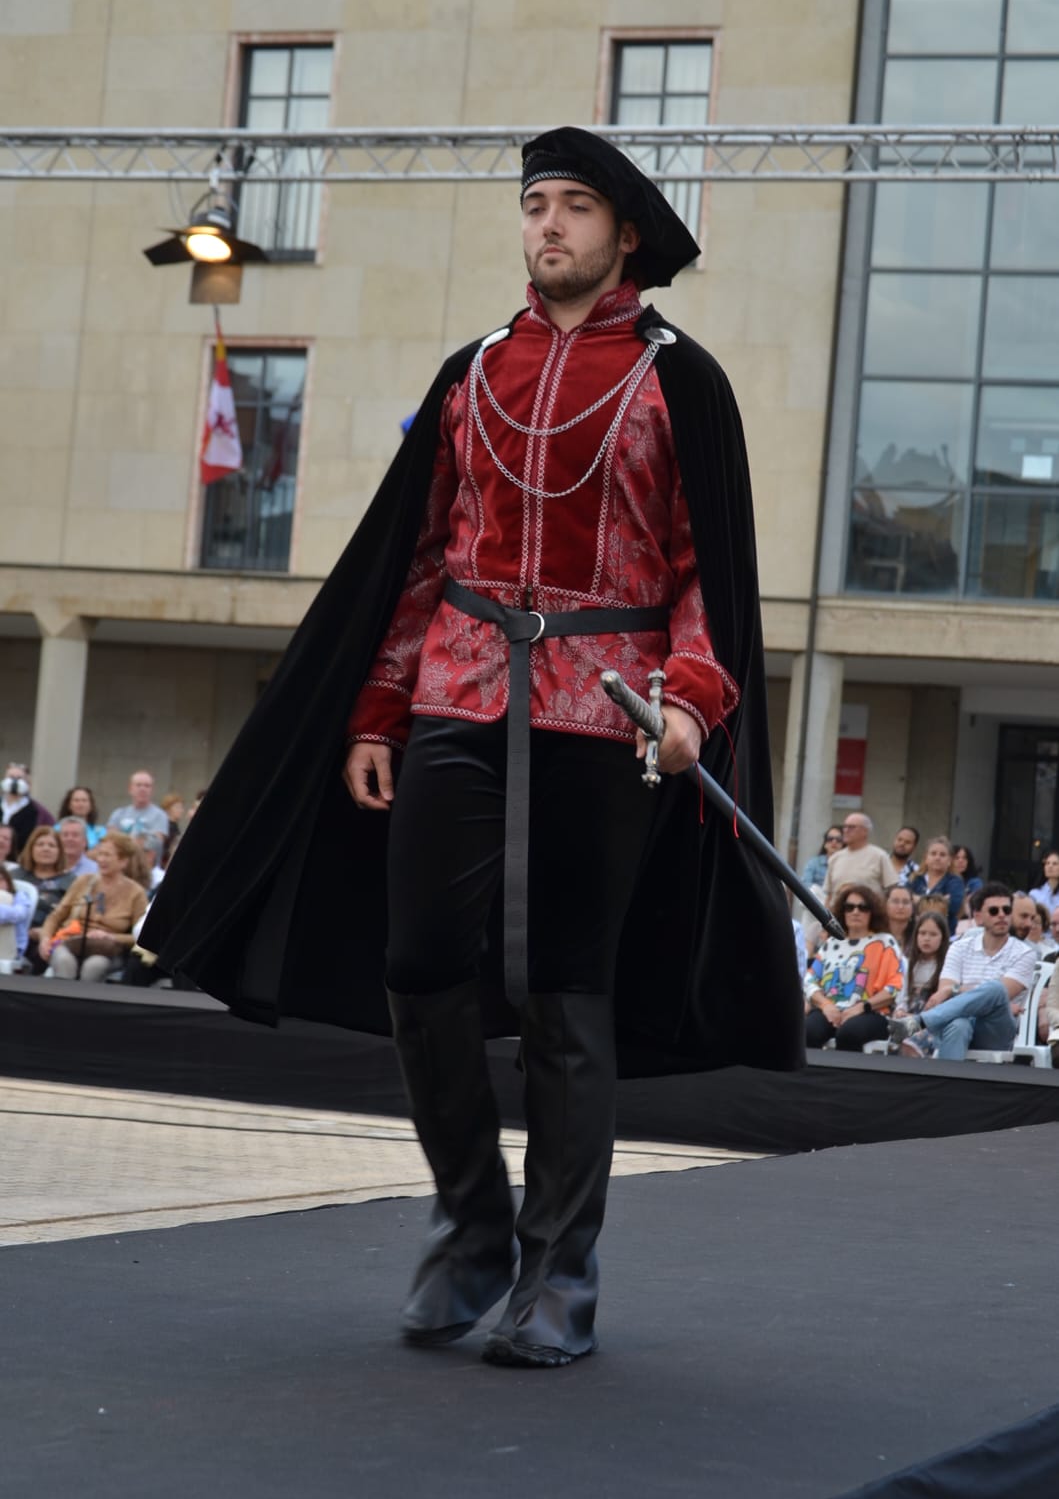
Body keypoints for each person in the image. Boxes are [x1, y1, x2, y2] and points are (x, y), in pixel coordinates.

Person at [141, 124, 805, 1371]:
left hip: (606, 710)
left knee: (566, 986)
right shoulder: (474, 372)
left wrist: (689, 701)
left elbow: (707, 574)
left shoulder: (682, 381)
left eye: (573, 206)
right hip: (456, 691)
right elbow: (422, 556)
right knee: (419, 965)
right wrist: (379, 707)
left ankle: (561, 1274)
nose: (547, 224)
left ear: (625, 233)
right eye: (535, 203)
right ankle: (472, 1225)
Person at [889, 882, 1037, 1061]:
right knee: (959, 1025)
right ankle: (947, 1079)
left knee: (996, 989)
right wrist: (951, 992)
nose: (1001, 915)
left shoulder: (1025, 953)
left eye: (1006, 910)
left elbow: (999, 996)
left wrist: (953, 990)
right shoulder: (959, 947)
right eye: (993, 911)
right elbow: (945, 992)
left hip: (996, 1030)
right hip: (959, 1020)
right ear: (978, 916)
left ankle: (921, 1022)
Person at [803, 885, 903, 1051]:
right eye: (849, 907)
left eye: (863, 907)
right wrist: (825, 1005)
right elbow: (809, 980)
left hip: (872, 1012)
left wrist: (861, 1007)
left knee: (848, 1033)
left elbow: (894, 987)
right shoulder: (831, 943)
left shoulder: (885, 942)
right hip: (830, 1008)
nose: (855, 912)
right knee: (808, 1031)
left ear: (872, 912)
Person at [39, 833, 147, 982]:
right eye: (100, 854)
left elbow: (141, 937)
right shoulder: (84, 881)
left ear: (123, 861)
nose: (101, 859)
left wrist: (110, 937)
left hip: (106, 950)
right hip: (72, 941)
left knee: (94, 966)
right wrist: (45, 938)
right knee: (64, 960)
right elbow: (56, 916)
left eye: (107, 855)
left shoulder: (136, 893)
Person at [11, 826, 77, 972]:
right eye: (40, 844)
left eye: (51, 845)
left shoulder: (71, 882)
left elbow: (73, 917)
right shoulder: (14, 876)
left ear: (60, 851)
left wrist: (46, 932)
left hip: (49, 939)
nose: (46, 849)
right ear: (31, 848)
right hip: (12, 934)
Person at [890, 910, 949, 1057]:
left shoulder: (946, 966)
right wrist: (901, 1009)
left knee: (911, 1042)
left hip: (931, 1022)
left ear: (942, 938)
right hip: (909, 1016)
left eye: (933, 934)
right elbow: (904, 996)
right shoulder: (910, 964)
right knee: (896, 1032)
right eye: (922, 933)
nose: (926, 939)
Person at [823, 812, 897, 904]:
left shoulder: (879, 856)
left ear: (865, 831)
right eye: (845, 827)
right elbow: (829, 896)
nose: (846, 830)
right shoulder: (835, 859)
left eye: (851, 827)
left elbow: (892, 890)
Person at [909, 835, 964, 934]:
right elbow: (906, 903)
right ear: (926, 858)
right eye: (933, 854)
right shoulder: (915, 879)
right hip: (914, 932)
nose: (937, 858)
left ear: (949, 861)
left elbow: (952, 907)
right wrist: (939, 901)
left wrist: (918, 900)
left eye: (942, 855)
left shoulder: (955, 881)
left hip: (943, 933)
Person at [105, 771, 170, 845]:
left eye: (147, 786)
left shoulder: (160, 815)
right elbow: (110, 840)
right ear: (130, 789)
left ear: (152, 790)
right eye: (138, 785)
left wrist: (123, 839)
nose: (142, 789)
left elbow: (156, 844)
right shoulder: (118, 814)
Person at [1, 764, 55, 852]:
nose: (14, 782)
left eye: (19, 778)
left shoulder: (37, 811)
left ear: (28, 784)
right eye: (11, 777)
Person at [0, 866, 33, 972]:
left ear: (8, 881)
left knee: (3, 897)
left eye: (1, 880)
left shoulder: (19, 896)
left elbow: (18, 914)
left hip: (10, 949)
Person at [884, 882, 915, 955]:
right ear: (885, 905)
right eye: (895, 901)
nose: (901, 906)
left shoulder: (918, 934)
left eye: (906, 902)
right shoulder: (876, 934)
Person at [950, 845, 981, 916]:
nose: (961, 861)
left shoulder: (974, 882)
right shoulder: (945, 880)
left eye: (964, 858)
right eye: (956, 858)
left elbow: (976, 899)